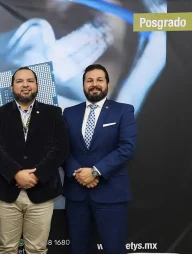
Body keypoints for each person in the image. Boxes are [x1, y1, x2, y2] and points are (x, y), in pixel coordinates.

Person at [0, 67, 70, 254]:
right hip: (7, 193)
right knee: (6, 248)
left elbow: (61, 148)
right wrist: (16, 173)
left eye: (30, 81)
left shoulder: (53, 113)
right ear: (12, 86)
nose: (25, 85)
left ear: (37, 85)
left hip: (41, 192)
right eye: (20, 81)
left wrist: (37, 175)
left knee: (37, 250)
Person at [62, 64, 137, 254]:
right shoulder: (69, 113)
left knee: (114, 249)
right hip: (77, 195)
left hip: (111, 194)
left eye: (99, 80)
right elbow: (62, 148)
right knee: (79, 249)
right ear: (83, 85)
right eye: (89, 80)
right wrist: (78, 173)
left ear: (108, 84)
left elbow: (127, 147)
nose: (94, 84)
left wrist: (95, 171)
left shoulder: (123, 111)